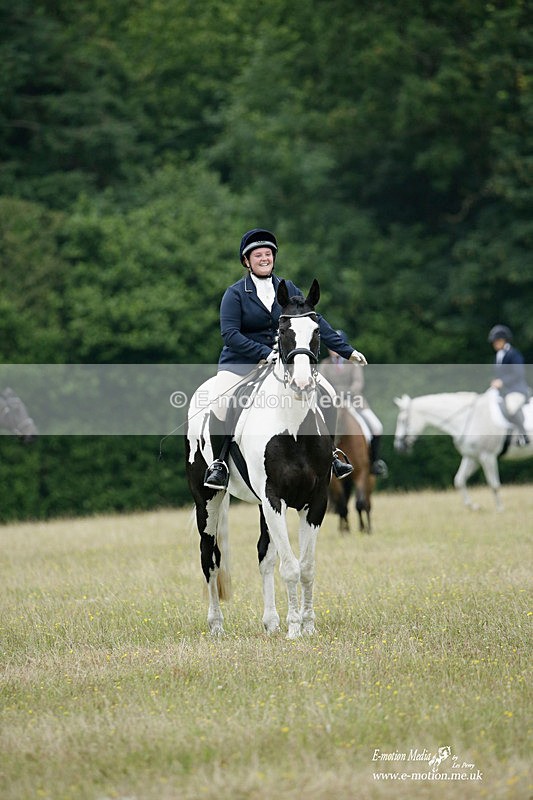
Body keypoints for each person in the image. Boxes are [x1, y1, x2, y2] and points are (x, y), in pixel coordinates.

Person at [203, 228, 368, 490]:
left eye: (268, 254)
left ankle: (331, 454)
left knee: (327, 394)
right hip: (240, 363)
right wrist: (262, 353)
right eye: (258, 255)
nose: (264, 258)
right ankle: (219, 464)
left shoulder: (287, 287)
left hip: (283, 364)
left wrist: (346, 350)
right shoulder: (234, 294)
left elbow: (314, 321)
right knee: (221, 400)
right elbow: (230, 334)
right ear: (247, 261)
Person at [321, 334, 388, 476]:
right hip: (332, 404)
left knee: (377, 427)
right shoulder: (325, 365)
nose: (333, 350)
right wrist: (334, 396)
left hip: (355, 402)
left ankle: (375, 462)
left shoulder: (353, 363)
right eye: (330, 347)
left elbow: (358, 382)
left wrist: (348, 394)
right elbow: (322, 384)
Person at [488, 324, 530, 445]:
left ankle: (523, 436)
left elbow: (519, 373)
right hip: (504, 391)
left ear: (504, 340)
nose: (495, 344)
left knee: (511, 408)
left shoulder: (513, 354)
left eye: (497, 341)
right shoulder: (498, 355)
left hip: (517, 390)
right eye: (494, 342)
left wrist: (502, 381)